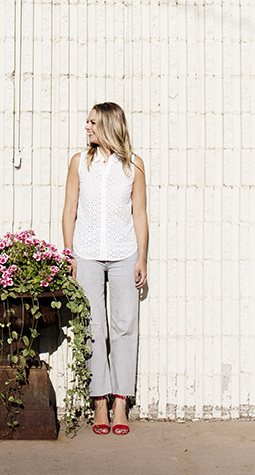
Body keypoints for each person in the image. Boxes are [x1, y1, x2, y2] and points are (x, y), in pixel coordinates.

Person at [62, 102, 147, 436]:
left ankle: (121, 401)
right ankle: (99, 400)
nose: (87, 127)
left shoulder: (134, 166)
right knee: (93, 325)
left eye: (92, 122)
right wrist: (69, 253)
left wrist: (142, 257)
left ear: (109, 125)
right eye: (87, 122)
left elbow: (139, 213)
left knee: (125, 326)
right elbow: (69, 208)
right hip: (86, 254)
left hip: (125, 254)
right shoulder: (80, 163)